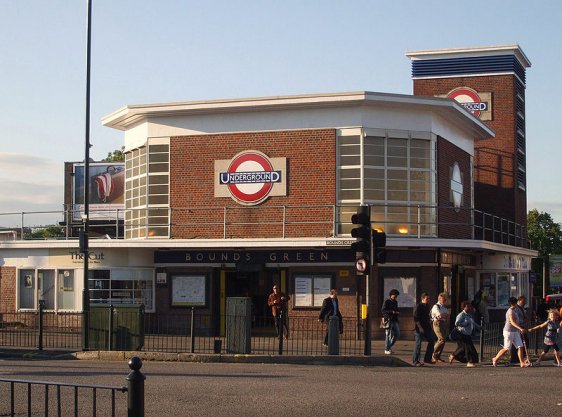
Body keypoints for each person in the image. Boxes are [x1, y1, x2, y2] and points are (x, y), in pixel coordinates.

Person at [492, 297, 529, 368]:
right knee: (507, 348)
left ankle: (521, 362)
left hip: (515, 331)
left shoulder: (515, 310)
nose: (517, 304)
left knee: (520, 346)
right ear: (514, 304)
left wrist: (519, 328)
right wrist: (520, 328)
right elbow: (512, 322)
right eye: (516, 303)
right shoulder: (510, 311)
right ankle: (495, 358)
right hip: (508, 332)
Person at [449, 300, 480, 367]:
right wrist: (465, 324)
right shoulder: (461, 315)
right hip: (463, 334)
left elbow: (473, 323)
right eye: (467, 306)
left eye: (470, 306)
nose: (469, 308)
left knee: (462, 348)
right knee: (469, 349)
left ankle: (453, 355)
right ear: (463, 307)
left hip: (468, 334)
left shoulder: (469, 315)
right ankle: (469, 362)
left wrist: (479, 327)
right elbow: (456, 323)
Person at [412, 292, 436, 366]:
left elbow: (427, 317)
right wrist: (420, 327)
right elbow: (416, 318)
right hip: (419, 328)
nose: (428, 300)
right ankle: (415, 361)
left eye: (428, 298)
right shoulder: (418, 306)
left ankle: (427, 359)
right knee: (418, 344)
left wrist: (430, 322)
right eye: (427, 298)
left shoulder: (427, 306)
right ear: (422, 298)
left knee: (432, 340)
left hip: (427, 327)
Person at [431, 292, 449, 363]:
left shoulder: (444, 307)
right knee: (441, 339)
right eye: (443, 299)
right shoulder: (436, 306)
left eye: (445, 299)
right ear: (439, 299)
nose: (445, 300)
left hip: (443, 323)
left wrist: (444, 315)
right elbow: (440, 316)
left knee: (443, 341)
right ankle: (432, 354)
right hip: (437, 323)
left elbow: (447, 315)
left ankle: (437, 356)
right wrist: (443, 315)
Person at [510, 295, 529, 364]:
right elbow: (516, 319)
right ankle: (514, 359)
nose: (524, 303)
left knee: (522, 343)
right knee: (517, 344)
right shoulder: (516, 308)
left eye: (525, 302)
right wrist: (520, 326)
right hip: (518, 327)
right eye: (523, 302)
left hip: (521, 327)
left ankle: (519, 358)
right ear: (519, 301)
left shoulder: (521, 308)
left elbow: (524, 316)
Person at [382, 289, 400, 354]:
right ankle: (387, 349)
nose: (395, 297)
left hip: (395, 320)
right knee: (388, 334)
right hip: (388, 320)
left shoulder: (396, 302)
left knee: (397, 334)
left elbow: (396, 309)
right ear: (391, 295)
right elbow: (383, 310)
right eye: (394, 296)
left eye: (396, 296)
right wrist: (391, 312)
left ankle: (389, 347)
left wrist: (397, 312)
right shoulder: (386, 302)